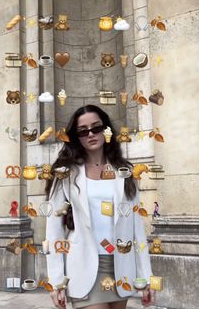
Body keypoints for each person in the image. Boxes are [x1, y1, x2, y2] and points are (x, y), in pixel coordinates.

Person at [45, 105, 155, 309]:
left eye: (96, 128)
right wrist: (56, 281)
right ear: (76, 136)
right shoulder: (65, 174)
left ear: (106, 131)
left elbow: (136, 229)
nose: (90, 134)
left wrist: (146, 277)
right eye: (83, 131)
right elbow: (54, 231)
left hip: (121, 265)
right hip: (84, 267)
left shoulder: (125, 171)